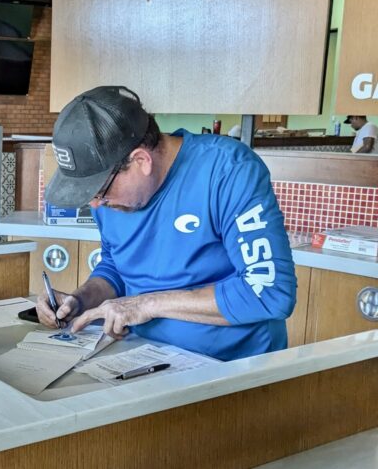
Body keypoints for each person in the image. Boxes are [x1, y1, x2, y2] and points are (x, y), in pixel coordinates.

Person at [37, 86, 296, 361]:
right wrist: (80, 299)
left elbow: (270, 292)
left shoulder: (228, 171)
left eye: (99, 191)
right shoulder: (110, 197)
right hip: (143, 357)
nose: (96, 205)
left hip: (233, 369)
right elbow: (117, 265)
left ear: (141, 160)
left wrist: (147, 305)